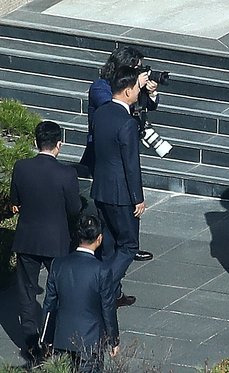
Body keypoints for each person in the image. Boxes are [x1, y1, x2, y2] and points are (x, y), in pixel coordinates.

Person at [10, 120, 82, 362]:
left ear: (35, 142)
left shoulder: (21, 167)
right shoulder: (67, 174)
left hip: (27, 239)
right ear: (59, 144)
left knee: (26, 293)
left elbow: (16, 201)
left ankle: (30, 343)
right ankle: (53, 338)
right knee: (60, 291)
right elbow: (74, 209)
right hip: (56, 241)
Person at [81, 45, 157, 262]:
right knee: (116, 203)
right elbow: (115, 112)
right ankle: (122, 246)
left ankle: (127, 242)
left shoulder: (129, 90)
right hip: (105, 154)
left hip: (120, 146)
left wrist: (148, 93)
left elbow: (140, 109)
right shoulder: (101, 88)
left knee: (126, 202)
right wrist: (135, 88)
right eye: (135, 69)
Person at [90, 66, 146, 308]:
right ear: (126, 91)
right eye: (135, 89)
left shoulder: (100, 114)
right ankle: (105, 287)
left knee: (109, 245)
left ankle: (113, 293)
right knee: (129, 245)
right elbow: (131, 165)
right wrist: (138, 198)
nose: (137, 92)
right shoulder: (127, 123)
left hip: (101, 189)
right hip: (121, 194)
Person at [42, 214, 119, 373]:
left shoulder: (58, 264)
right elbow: (108, 308)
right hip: (90, 341)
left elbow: (49, 304)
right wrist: (113, 340)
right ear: (99, 238)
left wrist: (46, 338)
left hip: (62, 337)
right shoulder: (102, 270)